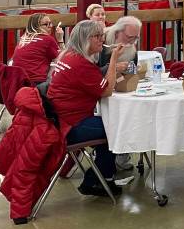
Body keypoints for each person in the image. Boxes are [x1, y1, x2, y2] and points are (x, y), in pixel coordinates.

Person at [46, 20, 126, 198]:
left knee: (110, 126)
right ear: (85, 39)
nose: (102, 39)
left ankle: (99, 178)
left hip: (59, 120)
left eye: (102, 35)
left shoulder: (68, 56)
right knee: (116, 128)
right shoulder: (80, 63)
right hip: (71, 125)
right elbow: (106, 91)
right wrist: (114, 60)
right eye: (97, 36)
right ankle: (100, 180)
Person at [10, 13, 64, 84]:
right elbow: (63, 59)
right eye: (46, 24)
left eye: (50, 23)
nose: (50, 26)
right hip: (36, 82)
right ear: (36, 26)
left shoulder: (24, 38)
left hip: (17, 82)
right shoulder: (47, 39)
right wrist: (60, 39)